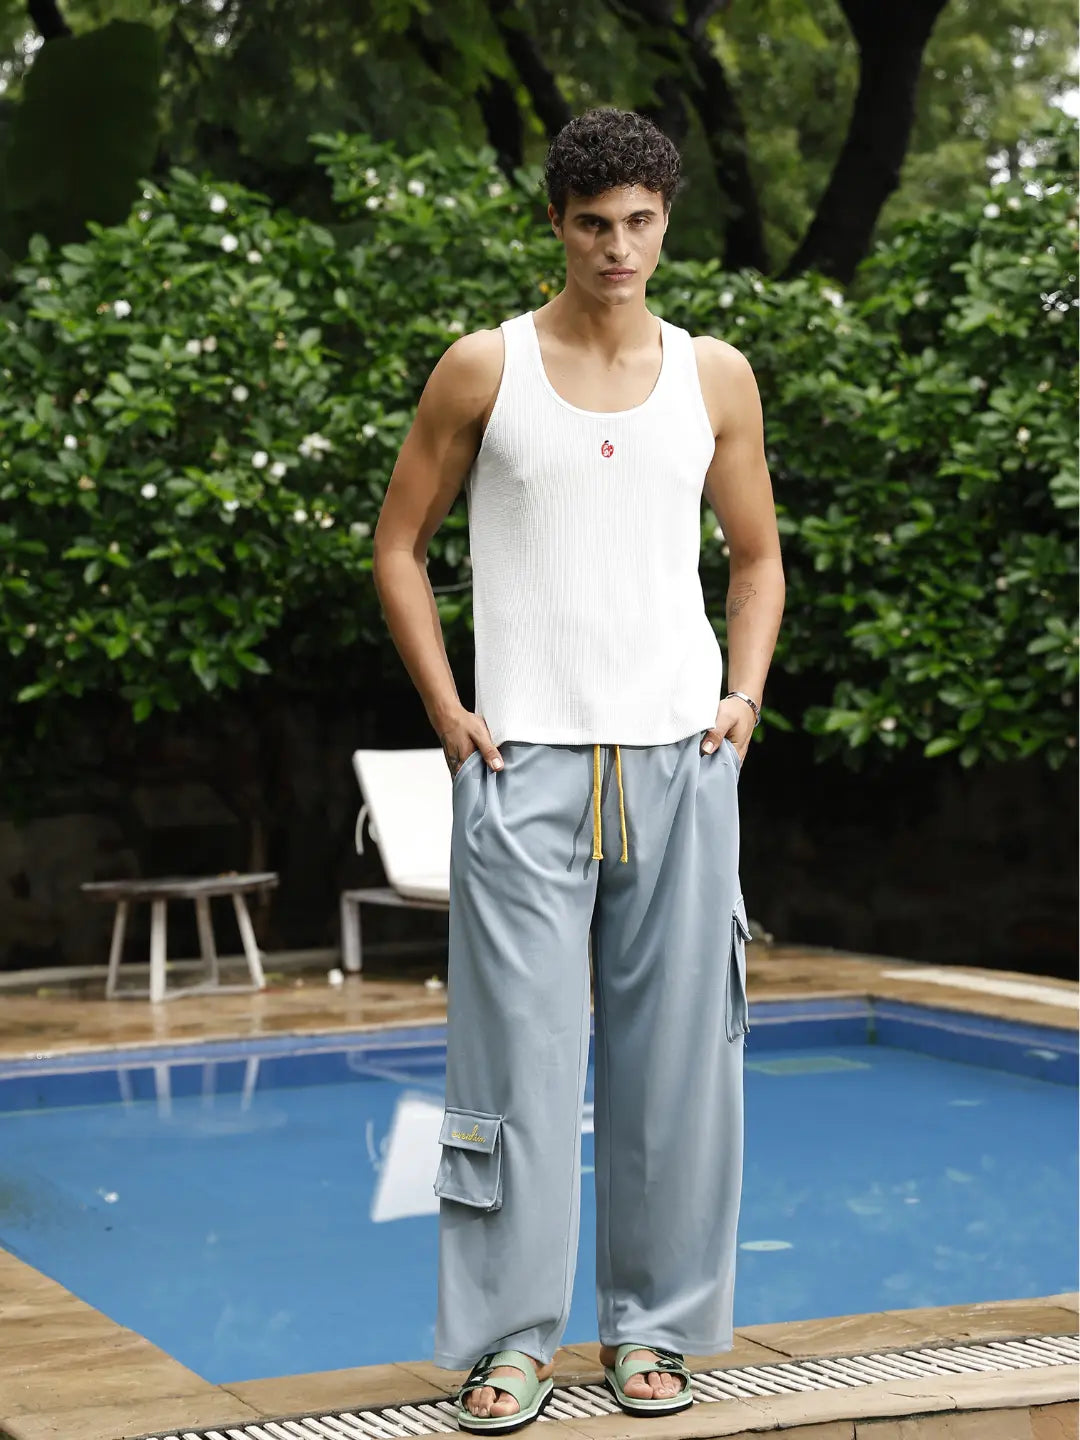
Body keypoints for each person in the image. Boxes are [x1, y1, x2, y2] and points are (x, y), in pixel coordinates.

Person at [373, 106, 784, 1432]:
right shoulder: (482, 370)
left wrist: (742, 698)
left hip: (680, 764)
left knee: (680, 1070)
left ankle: (653, 1333)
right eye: (594, 223)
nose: (619, 247)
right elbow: (397, 545)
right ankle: (510, 1344)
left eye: (641, 223)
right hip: (525, 766)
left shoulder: (715, 376)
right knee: (513, 1071)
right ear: (556, 223)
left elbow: (758, 556)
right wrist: (449, 712)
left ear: (667, 222)